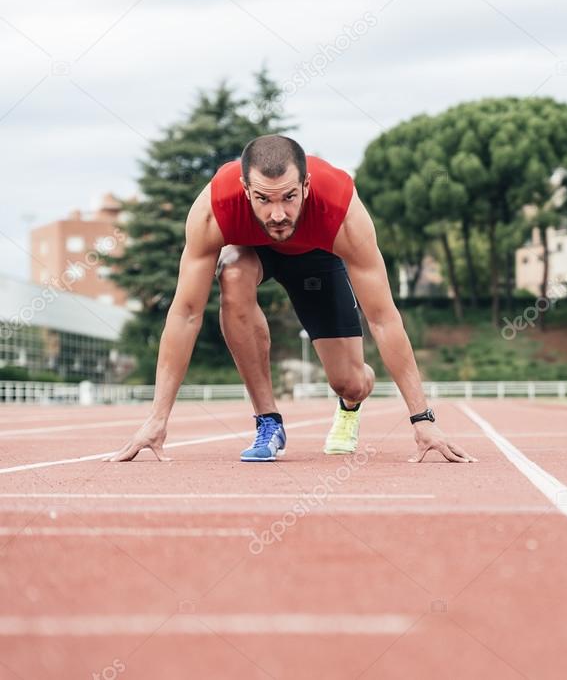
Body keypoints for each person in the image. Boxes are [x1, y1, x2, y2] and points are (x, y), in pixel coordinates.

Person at [111, 135, 475, 464]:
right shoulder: (214, 208)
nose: (278, 214)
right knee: (233, 273)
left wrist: (421, 419)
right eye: (263, 200)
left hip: (318, 256)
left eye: (289, 197)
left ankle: (350, 405)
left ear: (306, 184)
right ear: (244, 188)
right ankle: (268, 422)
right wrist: (156, 419)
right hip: (252, 252)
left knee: (350, 382)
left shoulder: (341, 208)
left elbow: (382, 317)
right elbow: (186, 313)